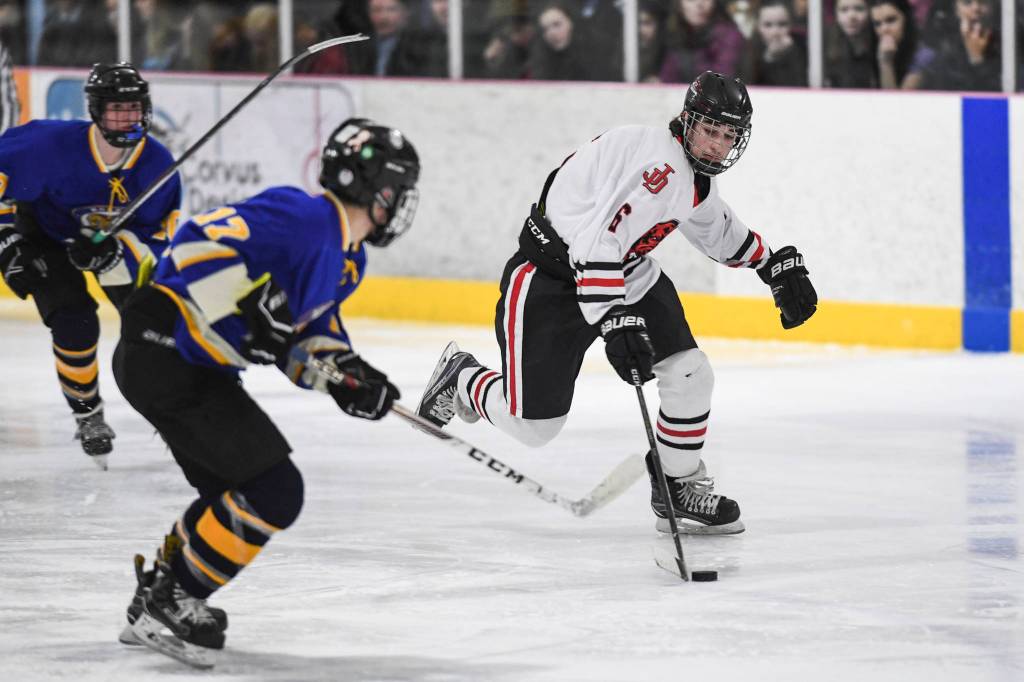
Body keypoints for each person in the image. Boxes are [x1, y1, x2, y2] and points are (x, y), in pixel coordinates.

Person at [416, 72, 817, 535]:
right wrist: (613, 316)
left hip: (621, 271)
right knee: (534, 427)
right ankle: (462, 378)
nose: (716, 146)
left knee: (690, 372)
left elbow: (714, 227)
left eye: (729, 137)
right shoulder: (657, 170)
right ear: (687, 121)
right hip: (550, 281)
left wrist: (771, 265)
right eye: (710, 130)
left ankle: (677, 485)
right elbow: (595, 243)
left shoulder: (686, 173)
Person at [112, 119, 419, 668]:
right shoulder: (303, 216)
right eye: (399, 191)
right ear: (379, 189)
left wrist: (353, 380)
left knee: (235, 493)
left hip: (188, 366)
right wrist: (243, 308)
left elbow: (306, 344)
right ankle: (172, 600)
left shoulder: (348, 258)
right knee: (275, 490)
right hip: (164, 348)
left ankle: (155, 596)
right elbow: (192, 246)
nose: (401, 206)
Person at [0, 62, 181, 468]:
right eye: (117, 109)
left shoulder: (157, 166)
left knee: (155, 322)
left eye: (135, 108)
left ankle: (176, 412)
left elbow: (157, 239)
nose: (128, 118)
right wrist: (6, 238)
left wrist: (115, 253)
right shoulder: (46, 146)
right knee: (74, 319)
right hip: (43, 235)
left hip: (110, 245)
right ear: (96, 111)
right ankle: (88, 413)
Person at [659, 0, 746, 84]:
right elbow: (667, 78)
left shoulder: (729, 36)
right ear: (678, 4)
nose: (699, 4)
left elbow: (720, 82)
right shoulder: (674, 34)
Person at [740, 0, 808, 86]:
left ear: (791, 25)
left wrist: (791, 54)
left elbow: (801, 86)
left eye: (782, 24)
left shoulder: (800, 48)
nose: (775, 32)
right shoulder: (749, 50)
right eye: (768, 25)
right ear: (758, 27)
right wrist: (769, 58)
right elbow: (747, 85)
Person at [869, 0, 933, 88]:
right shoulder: (871, 49)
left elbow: (897, 101)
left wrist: (886, 62)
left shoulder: (923, 55)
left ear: (906, 20)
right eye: (877, 24)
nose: (884, 29)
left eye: (891, 20)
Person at [824, 0, 879, 88]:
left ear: (870, 11)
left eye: (859, 9)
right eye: (844, 10)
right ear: (836, 14)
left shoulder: (877, 42)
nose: (851, 16)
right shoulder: (824, 45)